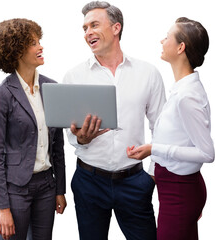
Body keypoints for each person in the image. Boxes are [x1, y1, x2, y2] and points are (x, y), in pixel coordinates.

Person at [63, 1, 166, 239]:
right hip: (88, 182)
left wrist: (151, 176)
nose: (88, 32)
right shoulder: (74, 75)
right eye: (85, 28)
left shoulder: (147, 73)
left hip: (134, 182)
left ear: (116, 27)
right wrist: (80, 139)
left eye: (94, 25)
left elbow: (161, 127)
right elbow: (70, 133)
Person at [127, 17, 215, 240]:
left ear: (180, 47)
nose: (162, 40)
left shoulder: (187, 97)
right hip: (176, 190)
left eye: (167, 37)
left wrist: (154, 148)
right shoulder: (183, 88)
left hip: (180, 193)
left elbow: (207, 153)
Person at [0, 18, 66, 240]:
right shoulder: (2, 94)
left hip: (46, 187)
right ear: (17, 50)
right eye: (33, 43)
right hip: (15, 190)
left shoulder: (52, 88)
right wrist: (3, 208)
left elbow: (57, 146)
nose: (40, 46)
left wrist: (60, 189)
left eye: (39, 41)